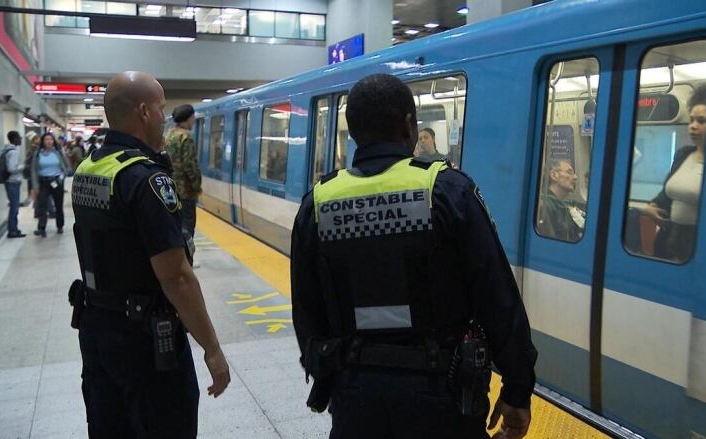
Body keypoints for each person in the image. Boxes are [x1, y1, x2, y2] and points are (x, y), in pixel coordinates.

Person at [291, 74, 536, 439]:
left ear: (353, 132)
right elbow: (498, 300)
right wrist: (517, 390)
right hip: (443, 395)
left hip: (356, 395)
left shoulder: (319, 203)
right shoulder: (448, 191)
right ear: (409, 125)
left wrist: (332, 375)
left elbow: (307, 313)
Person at [70, 71, 230, 438]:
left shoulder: (89, 168)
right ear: (143, 112)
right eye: (161, 108)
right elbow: (176, 276)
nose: (164, 116)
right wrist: (212, 348)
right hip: (145, 342)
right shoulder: (146, 179)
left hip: (97, 330)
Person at [640, 83, 706, 262]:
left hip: (695, 244)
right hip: (668, 237)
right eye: (692, 120)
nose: (693, 126)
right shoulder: (683, 154)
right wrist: (651, 207)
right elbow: (666, 194)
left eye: (701, 121)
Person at [165, 104, 202, 238]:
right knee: (187, 226)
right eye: (193, 117)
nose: (194, 120)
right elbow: (190, 165)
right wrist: (197, 186)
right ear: (188, 118)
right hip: (185, 191)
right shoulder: (185, 137)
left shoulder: (169, 135)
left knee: (175, 226)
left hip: (170, 189)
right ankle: (187, 256)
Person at [30, 133, 71, 237]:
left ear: (53, 141)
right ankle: (42, 228)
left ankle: (60, 226)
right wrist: (35, 186)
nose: (49, 141)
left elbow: (68, 168)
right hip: (43, 182)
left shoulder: (58, 152)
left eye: (51, 139)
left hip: (57, 181)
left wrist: (61, 177)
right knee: (42, 205)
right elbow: (33, 170)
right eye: (46, 140)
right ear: (43, 142)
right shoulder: (38, 153)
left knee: (58, 205)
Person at [536, 159, 583, 242]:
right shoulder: (545, 206)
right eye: (569, 172)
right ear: (554, 175)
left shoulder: (565, 205)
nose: (576, 177)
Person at [2, 131, 26, 238]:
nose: (21, 139)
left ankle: (14, 229)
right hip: (13, 182)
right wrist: (22, 166)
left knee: (13, 206)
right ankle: (12, 230)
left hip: (9, 182)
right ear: (15, 139)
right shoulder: (13, 152)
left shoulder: (6, 149)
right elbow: (12, 168)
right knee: (14, 207)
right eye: (19, 138)